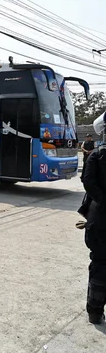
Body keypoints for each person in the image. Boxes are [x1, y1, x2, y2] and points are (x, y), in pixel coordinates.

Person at [82, 124, 106, 324]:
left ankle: (95, 312)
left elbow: (88, 181)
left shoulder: (97, 155)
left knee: (99, 265)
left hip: (99, 219)